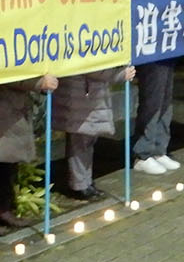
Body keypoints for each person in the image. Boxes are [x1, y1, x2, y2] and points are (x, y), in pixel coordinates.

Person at [0, 74, 59, 235]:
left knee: (8, 161)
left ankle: (1, 207)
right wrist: (36, 82)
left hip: (9, 106)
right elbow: (3, 67)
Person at [52, 65, 137, 201]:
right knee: (81, 140)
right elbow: (91, 66)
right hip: (81, 93)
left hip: (86, 93)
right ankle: (79, 185)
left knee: (86, 139)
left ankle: (84, 181)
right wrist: (119, 74)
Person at [132, 58, 182, 175]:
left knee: (165, 100)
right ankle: (143, 154)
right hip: (152, 54)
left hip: (167, 53)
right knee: (152, 100)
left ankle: (158, 150)